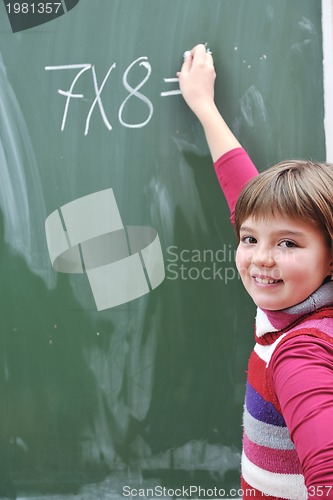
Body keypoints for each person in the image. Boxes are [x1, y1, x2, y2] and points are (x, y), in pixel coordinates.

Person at [177, 44, 333, 500]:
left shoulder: (299, 352)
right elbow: (245, 196)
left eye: (287, 243)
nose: (261, 257)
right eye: (249, 239)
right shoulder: (308, 319)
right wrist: (204, 107)